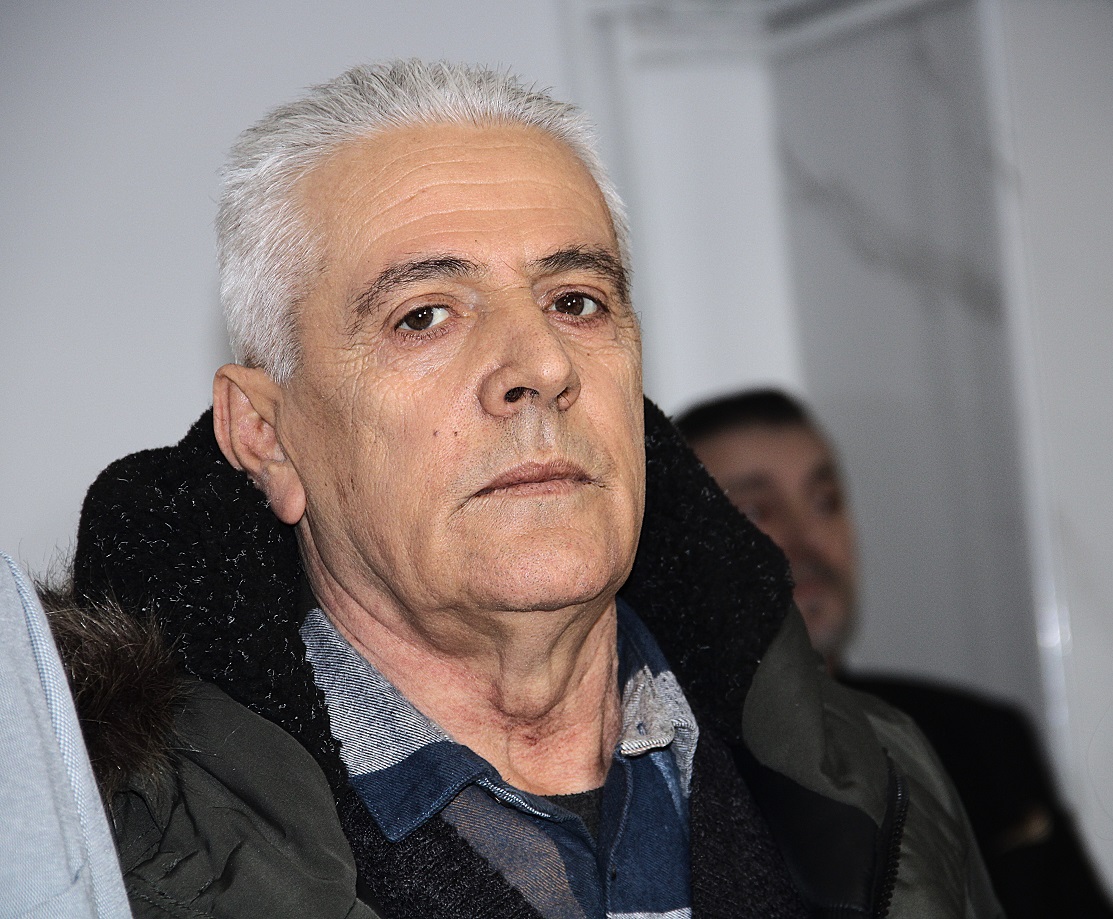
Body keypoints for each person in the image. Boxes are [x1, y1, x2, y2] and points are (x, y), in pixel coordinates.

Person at [68, 61, 1001, 918]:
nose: (543, 366)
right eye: (423, 316)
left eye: (575, 300)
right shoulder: (112, 845)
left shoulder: (873, 779)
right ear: (266, 436)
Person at [676, 387, 1113, 919]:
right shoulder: (669, 770)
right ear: (678, 550)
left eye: (825, 502)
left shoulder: (981, 740)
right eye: (755, 510)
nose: (808, 542)